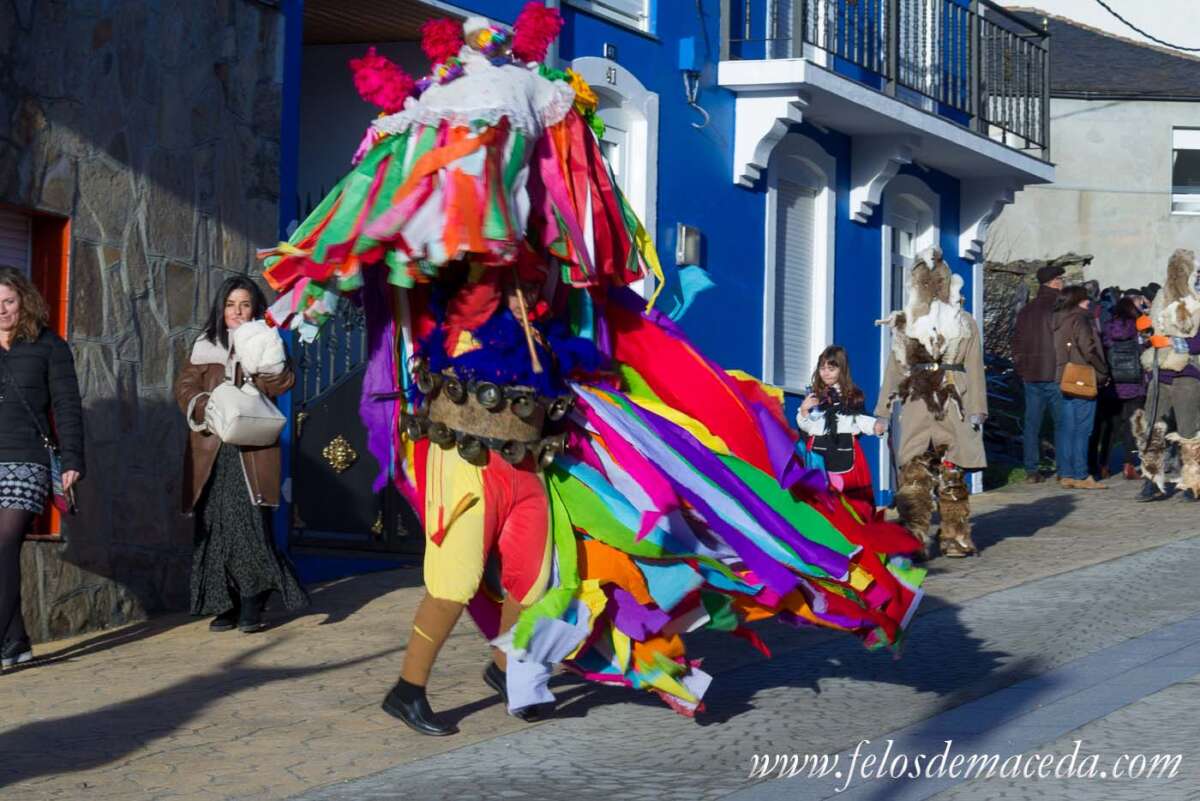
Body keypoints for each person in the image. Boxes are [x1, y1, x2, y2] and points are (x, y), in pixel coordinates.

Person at [261, 4, 927, 736]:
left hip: (528, 447)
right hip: (463, 449)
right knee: (455, 575)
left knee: (537, 569)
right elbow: (430, 230)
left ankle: (511, 662)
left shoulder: (543, 282)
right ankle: (408, 688)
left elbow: (571, 270)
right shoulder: (453, 270)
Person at [173, 276, 308, 633]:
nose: (237, 311)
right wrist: (205, 404)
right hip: (211, 448)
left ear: (255, 309)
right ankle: (226, 604)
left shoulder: (264, 340)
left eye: (244, 305)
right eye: (231, 305)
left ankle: (253, 601)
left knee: (247, 523)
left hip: (251, 449)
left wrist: (260, 365)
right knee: (214, 524)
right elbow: (184, 387)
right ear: (221, 309)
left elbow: (284, 383)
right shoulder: (205, 345)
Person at [876, 249, 987, 560]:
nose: (932, 289)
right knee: (914, 474)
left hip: (954, 401)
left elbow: (974, 366)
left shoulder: (964, 322)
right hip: (917, 402)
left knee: (952, 473)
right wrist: (883, 411)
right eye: (925, 282)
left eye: (938, 282)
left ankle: (955, 536)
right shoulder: (907, 323)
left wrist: (977, 407)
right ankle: (913, 538)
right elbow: (895, 369)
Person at [0, 265, 84, 670]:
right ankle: (15, 641)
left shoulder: (49, 345)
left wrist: (73, 459)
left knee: (4, 542)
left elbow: (67, 406)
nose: (2, 310)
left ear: (24, 301)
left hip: (27, 458)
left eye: (9, 301)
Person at [1135, 249, 1200, 502]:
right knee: (1152, 428)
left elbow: (1197, 341)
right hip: (1160, 373)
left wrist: (1176, 342)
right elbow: (1153, 334)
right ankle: (1151, 480)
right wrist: (1148, 336)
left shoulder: (1197, 301)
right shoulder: (1161, 297)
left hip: (1188, 373)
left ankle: (1193, 482)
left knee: (1189, 431)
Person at [796, 346, 880, 522]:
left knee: (849, 500)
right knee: (819, 495)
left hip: (845, 451)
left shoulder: (852, 397)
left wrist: (875, 426)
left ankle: (851, 529)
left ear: (842, 369)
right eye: (822, 368)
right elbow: (807, 427)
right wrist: (803, 410)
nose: (826, 373)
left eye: (831, 368)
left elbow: (859, 420)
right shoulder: (813, 396)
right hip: (818, 453)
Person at [1011, 264, 1065, 483]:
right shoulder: (1059, 307)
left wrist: (1021, 369)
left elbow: (1016, 342)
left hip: (1031, 374)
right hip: (1054, 373)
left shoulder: (1027, 310)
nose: (1063, 283)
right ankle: (1063, 467)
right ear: (1053, 282)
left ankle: (1031, 470)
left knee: (1032, 425)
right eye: (1061, 279)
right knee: (1061, 424)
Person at [1053, 285, 1109, 490]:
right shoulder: (1081, 319)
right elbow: (1089, 349)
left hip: (1063, 376)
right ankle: (1081, 474)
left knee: (1068, 427)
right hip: (1083, 376)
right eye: (1086, 299)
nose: (1089, 302)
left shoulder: (1058, 319)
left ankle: (1066, 473)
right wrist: (1103, 370)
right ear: (1078, 300)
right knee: (1083, 428)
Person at [1101, 296, 1147, 481]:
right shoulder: (1138, 326)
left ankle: (1103, 465)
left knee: (1110, 427)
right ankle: (1129, 464)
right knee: (1132, 424)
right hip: (1135, 382)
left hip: (1113, 383)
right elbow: (1144, 349)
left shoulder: (1107, 327)